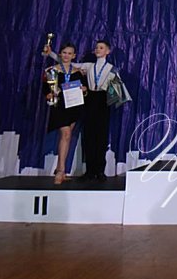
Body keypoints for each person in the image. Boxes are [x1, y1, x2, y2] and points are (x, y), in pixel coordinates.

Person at [43, 39, 131, 181]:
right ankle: (89, 171)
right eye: (96, 47)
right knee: (88, 136)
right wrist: (51, 53)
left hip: (103, 102)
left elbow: (118, 91)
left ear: (107, 51)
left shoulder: (112, 69)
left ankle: (100, 170)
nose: (98, 49)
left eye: (101, 48)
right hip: (89, 100)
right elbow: (67, 63)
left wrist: (115, 94)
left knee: (101, 137)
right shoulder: (88, 66)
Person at [43, 43, 87, 184]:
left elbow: (84, 90)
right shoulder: (52, 71)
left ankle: (61, 169)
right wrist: (48, 94)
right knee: (66, 134)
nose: (66, 55)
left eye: (69, 53)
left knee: (67, 137)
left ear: (74, 56)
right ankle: (60, 171)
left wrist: (84, 90)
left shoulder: (78, 72)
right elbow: (46, 89)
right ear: (60, 54)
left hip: (74, 106)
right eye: (64, 52)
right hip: (60, 106)